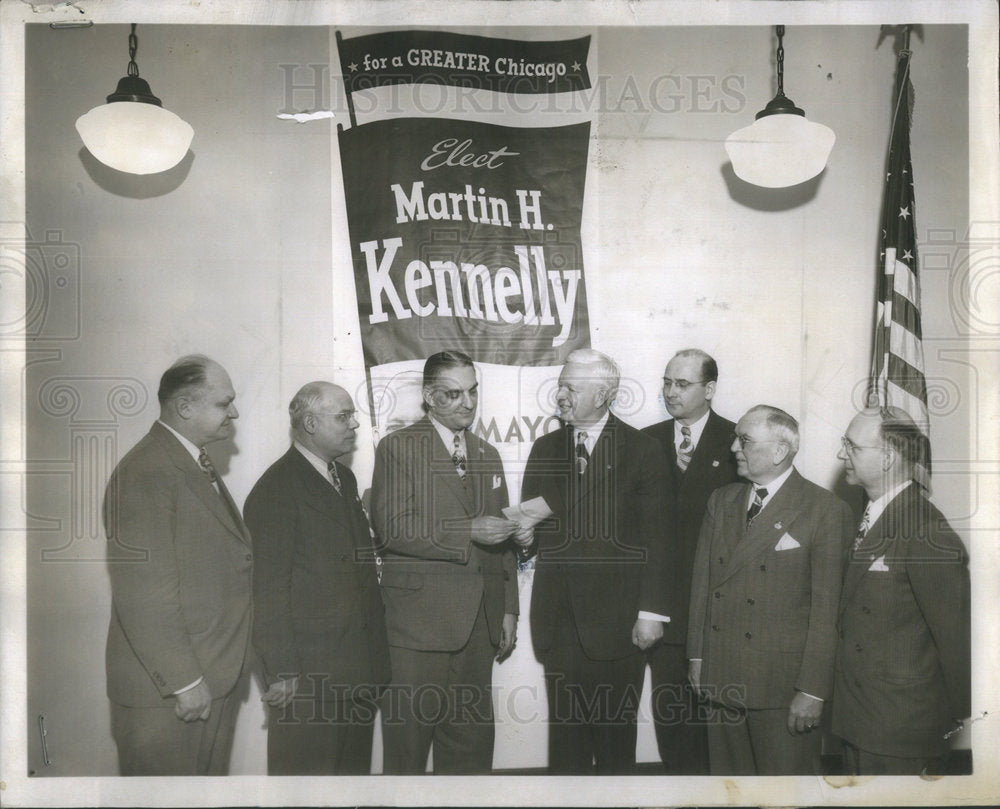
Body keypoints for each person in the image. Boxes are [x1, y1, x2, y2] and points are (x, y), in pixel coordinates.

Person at [370, 351, 523, 774]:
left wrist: (509, 609)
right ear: (428, 396)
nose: (468, 403)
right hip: (416, 632)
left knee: (471, 759)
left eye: (472, 391)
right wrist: (468, 530)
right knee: (407, 759)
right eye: (454, 394)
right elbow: (393, 529)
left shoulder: (487, 453)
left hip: (479, 630)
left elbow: (502, 538)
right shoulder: (398, 447)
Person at [521, 348, 671, 774]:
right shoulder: (545, 448)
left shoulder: (643, 451)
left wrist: (651, 614)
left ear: (603, 394)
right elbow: (531, 527)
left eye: (571, 388)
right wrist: (521, 538)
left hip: (619, 629)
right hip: (559, 625)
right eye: (560, 386)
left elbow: (659, 540)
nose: (560, 395)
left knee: (614, 751)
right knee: (564, 754)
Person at [103, 355, 252, 775]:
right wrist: (185, 681)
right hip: (171, 696)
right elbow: (143, 594)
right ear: (185, 407)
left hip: (210, 679)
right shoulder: (145, 471)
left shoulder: (188, 461)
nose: (234, 413)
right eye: (224, 403)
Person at [687, 404, 853, 775]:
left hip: (782, 688)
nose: (733, 448)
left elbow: (827, 613)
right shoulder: (722, 501)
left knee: (784, 791)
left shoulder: (825, 510)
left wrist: (812, 690)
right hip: (721, 676)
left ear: (779, 451)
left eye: (744, 440)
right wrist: (697, 657)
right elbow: (703, 585)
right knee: (729, 790)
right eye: (735, 438)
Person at [244, 382, 390, 775]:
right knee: (305, 790)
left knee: (350, 789)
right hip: (308, 683)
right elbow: (267, 589)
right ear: (310, 423)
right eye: (343, 416)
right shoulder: (276, 488)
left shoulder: (344, 478)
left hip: (357, 675)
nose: (354, 424)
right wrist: (282, 671)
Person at [832, 406, 970, 775]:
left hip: (901, 730)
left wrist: (952, 720)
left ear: (888, 458)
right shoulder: (873, 515)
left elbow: (955, 640)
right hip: (858, 718)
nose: (841, 454)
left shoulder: (926, 530)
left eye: (852, 446)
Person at [642, 348, 737, 774]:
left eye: (682, 384)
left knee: (717, 727)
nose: (671, 392)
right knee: (672, 722)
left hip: (718, 612)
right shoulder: (644, 441)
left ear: (709, 389)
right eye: (667, 382)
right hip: (662, 610)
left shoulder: (737, 441)